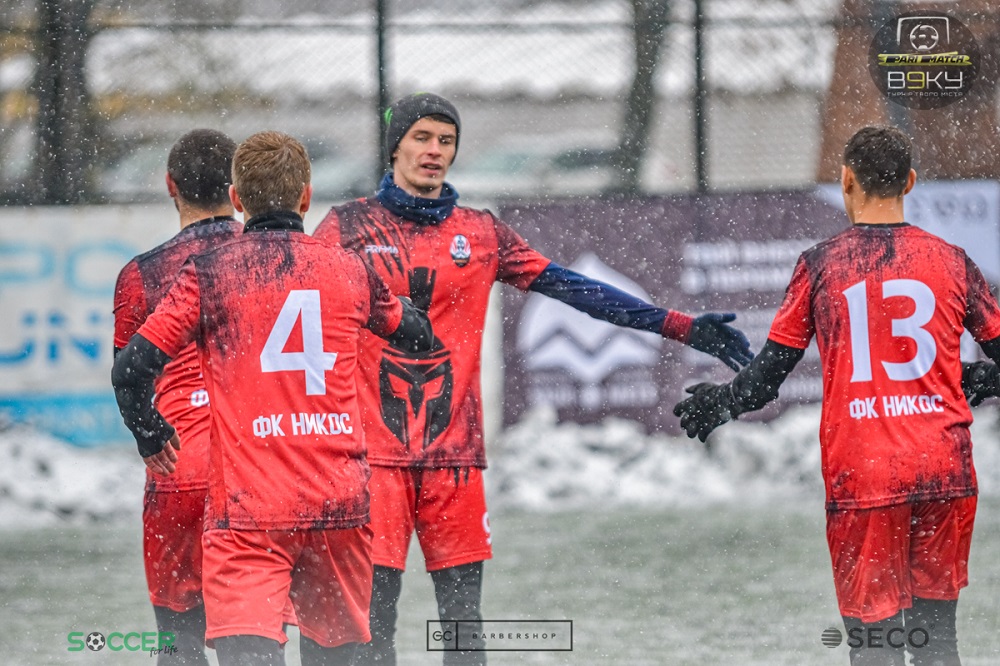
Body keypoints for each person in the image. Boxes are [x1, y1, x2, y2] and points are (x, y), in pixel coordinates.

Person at [312, 92, 753, 665]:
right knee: (374, 624)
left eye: (446, 140)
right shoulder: (345, 227)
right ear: (395, 146)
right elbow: (294, 308)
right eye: (421, 138)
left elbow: (576, 289)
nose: (434, 151)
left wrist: (680, 326)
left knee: (463, 626)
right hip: (373, 460)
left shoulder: (481, 232)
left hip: (455, 459)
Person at [673, 126, 1000, 666]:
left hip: (866, 474)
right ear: (910, 182)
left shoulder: (822, 264)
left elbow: (766, 379)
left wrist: (721, 402)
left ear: (847, 179)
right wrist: (971, 379)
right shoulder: (952, 260)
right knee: (938, 642)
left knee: (875, 647)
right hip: (944, 469)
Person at [112, 130, 433, 666]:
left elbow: (130, 370)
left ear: (238, 198)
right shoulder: (350, 269)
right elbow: (416, 335)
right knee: (336, 656)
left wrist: (151, 432)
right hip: (336, 499)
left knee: (206, 646)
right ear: (306, 197)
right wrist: (410, 308)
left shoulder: (210, 274)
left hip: (248, 503)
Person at [113, 128, 240, 665]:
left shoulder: (141, 274)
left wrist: (150, 437)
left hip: (180, 466)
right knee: (254, 636)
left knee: (178, 642)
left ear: (170, 185)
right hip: (255, 464)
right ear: (236, 190)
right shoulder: (269, 258)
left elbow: (128, 375)